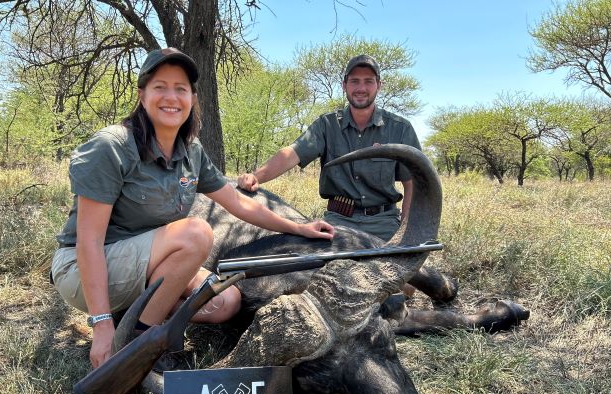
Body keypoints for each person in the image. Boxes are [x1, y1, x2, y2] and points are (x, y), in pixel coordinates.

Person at [51, 48, 334, 369]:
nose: (171, 96)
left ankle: (137, 317)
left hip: (148, 267)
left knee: (227, 301)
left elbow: (238, 202)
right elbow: (89, 241)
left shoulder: (190, 151)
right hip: (84, 270)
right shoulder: (111, 146)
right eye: (160, 87)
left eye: (181, 88)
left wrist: (299, 228)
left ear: (192, 97)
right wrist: (101, 324)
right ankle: (139, 344)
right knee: (196, 233)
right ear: (142, 94)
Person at [237, 54, 420, 242]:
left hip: (385, 224)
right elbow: (292, 153)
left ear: (379, 85)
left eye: (368, 81)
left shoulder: (401, 129)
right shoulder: (327, 124)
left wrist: (406, 234)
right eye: (354, 81)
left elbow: (413, 185)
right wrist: (256, 176)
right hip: (338, 222)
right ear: (344, 86)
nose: (361, 88)